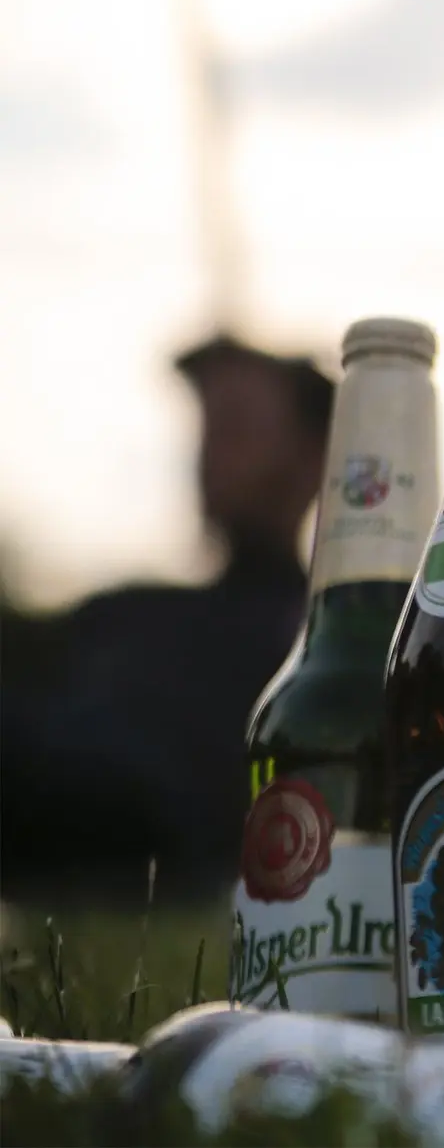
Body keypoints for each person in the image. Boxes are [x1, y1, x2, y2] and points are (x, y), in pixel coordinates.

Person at [0, 335, 333, 908]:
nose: (208, 456)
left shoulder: (309, 648)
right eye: (205, 430)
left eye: (236, 429)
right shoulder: (120, 617)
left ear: (312, 458)